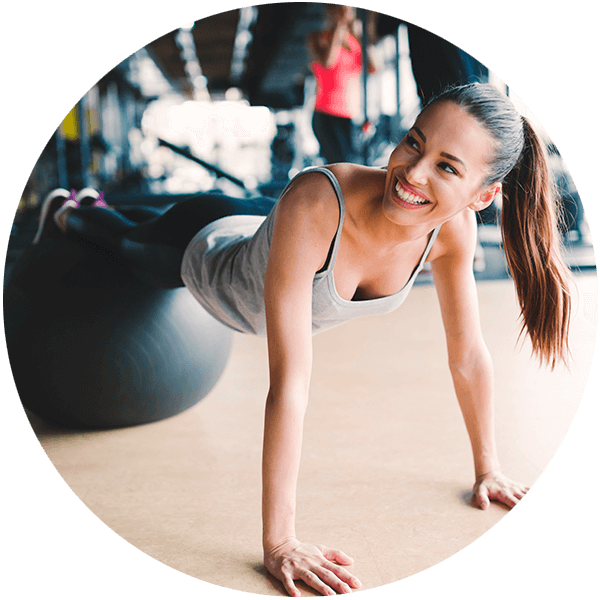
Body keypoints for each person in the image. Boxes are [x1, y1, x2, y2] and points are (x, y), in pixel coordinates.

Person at [37, 83, 571, 596]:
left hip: (258, 230)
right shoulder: (321, 202)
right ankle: (71, 211)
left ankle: (93, 208)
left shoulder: (450, 231)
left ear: (484, 196)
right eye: (414, 141)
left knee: (143, 227)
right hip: (210, 258)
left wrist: (489, 467)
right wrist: (279, 542)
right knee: (129, 243)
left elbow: (469, 355)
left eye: (447, 167)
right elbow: (290, 383)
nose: (412, 171)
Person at [307, 4, 374, 163]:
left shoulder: (354, 41)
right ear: (330, 11)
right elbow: (328, 62)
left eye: (349, 9)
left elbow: (373, 67)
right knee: (339, 164)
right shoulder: (318, 38)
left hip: (349, 115)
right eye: (342, 9)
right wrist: (340, 27)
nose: (346, 12)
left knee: (352, 163)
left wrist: (362, 35)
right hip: (326, 114)